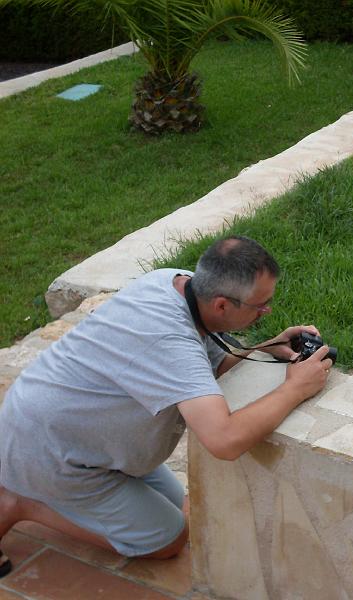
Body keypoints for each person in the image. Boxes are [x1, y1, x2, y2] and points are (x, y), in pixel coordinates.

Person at [0, 235, 332, 577]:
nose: (267, 311)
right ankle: (22, 503)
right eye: (261, 305)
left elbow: (210, 369)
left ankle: (44, 495)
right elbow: (224, 440)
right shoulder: (168, 338)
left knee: (176, 501)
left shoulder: (176, 282)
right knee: (168, 539)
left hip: (65, 429)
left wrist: (268, 346)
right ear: (221, 305)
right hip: (50, 451)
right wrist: (296, 389)